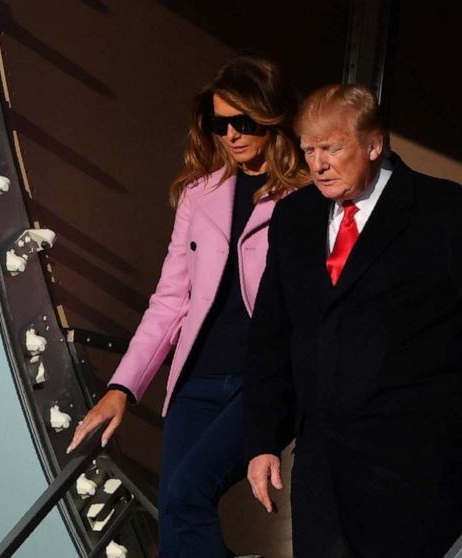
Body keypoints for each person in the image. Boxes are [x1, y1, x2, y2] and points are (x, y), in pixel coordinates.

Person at [243, 84, 462, 557]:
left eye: (332, 147)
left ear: (374, 144)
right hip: (322, 464)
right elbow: (271, 334)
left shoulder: (446, 212)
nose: (318, 163)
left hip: (412, 462)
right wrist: (263, 438)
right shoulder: (295, 216)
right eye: (309, 150)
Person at [67, 56, 308, 557]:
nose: (233, 135)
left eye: (243, 122)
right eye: (220, 124)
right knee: (175, 517)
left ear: (271, 116)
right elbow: (170, 300)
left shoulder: (306, 197)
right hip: (196, 381)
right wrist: (122, 388)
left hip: (263, 381)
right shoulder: (200, 195)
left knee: (185, 494)